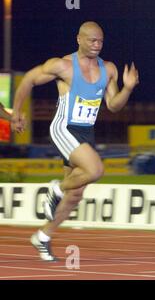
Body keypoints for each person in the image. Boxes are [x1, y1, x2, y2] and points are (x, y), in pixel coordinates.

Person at [11, 21, 139, 261]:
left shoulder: (108, 69)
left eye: (100, 41)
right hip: (63, 128)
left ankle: (43, 236)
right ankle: (55, 188)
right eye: (92, 40)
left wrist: (128, 88)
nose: (97, 45)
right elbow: (28, 79)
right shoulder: (63, 65)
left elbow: (113, 106)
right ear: (78, 39)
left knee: (76, 194)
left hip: (86, 133)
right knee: (95, 169)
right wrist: (16, 111)